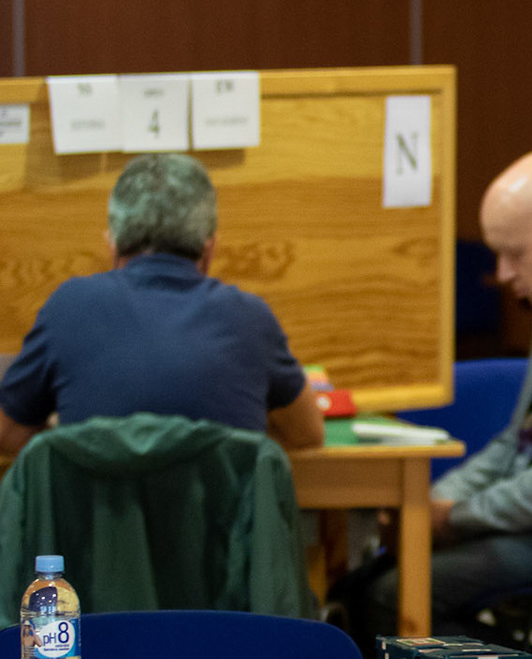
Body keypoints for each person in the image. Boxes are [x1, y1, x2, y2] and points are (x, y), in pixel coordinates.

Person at [356, 150, 532, 644]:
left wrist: (458, 518)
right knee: (364, 583)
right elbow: (519, 440)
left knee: (392, 596)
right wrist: (432, 503)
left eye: (514, 253)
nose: (502, 273)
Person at [0, 153, 324, 452]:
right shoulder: (250, 319)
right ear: (210, 250)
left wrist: (73, 446)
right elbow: (307, 435)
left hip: (94, 500)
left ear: (112, 247)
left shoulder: (68, 308)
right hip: (219, 501)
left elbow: (7, 433)